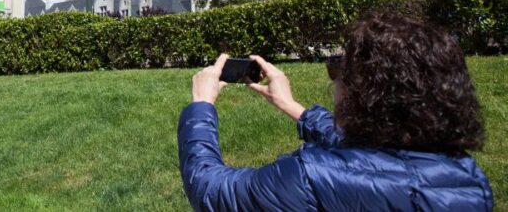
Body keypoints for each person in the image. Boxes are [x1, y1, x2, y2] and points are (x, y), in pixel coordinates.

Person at [178, 13, 493, 211]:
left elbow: (211, 190)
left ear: (365, 93)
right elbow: (372, 157)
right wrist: (292, 107)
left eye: (340, 69)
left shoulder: (309, 179)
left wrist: (201, 106)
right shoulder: (466, 176)